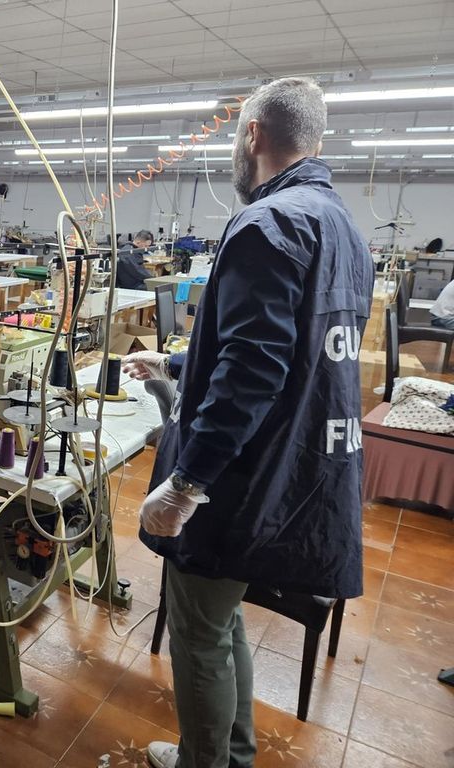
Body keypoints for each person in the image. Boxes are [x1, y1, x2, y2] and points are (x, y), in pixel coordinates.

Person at [122, 77, 373, 768]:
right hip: (296, 469)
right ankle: (231, 756)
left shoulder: (267, 222)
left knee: (199, 632)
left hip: (240, 477)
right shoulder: (342, 228)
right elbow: (285, 352)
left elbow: (252, 373)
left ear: (253, 134)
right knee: (219, 614)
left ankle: (206, 763)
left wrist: (186, 485)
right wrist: (177, 363)